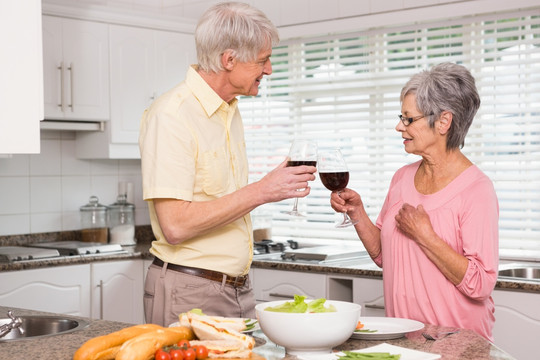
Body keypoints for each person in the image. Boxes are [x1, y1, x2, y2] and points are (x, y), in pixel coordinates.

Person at [139, 2, 317, 327]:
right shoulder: (172, 115)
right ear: (229, 59)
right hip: (189, 292)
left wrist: (269, 186)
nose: (269, 70)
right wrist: (263, 191)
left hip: (237, 289)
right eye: (263, 60)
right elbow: (175, 226)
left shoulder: (230, 111)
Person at [330, 63, 499, 341]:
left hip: (457, 342)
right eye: (401, 117)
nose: (399, 126)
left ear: (444, 122)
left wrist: (425, 236)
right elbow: (386, 256)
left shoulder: (477, 190)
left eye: (409, 119)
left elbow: (481, 284)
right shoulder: (401, 178)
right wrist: (357, 213)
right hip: (405, 338)